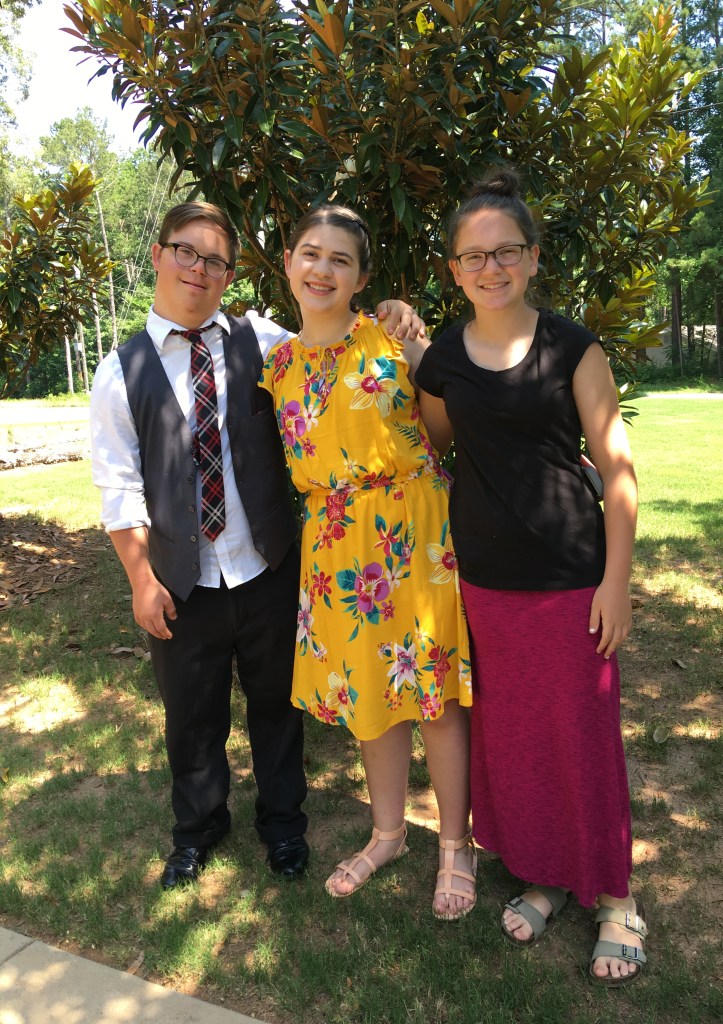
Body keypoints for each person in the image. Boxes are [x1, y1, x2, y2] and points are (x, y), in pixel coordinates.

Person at [90, 200, 423, 890]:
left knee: (277, 707)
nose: (199, 270)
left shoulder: (262, 340)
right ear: (158, 255)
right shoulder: (118, 372)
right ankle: (198, 830)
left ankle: (283, 827)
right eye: (187, 252)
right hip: (182, 578)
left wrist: (388, 310)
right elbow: (119, 486)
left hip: (267, 566)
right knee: (192, 715)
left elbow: (332, 336)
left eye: (215, 261)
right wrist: (140, 580)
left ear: (231, 275)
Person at [415, 168, 647, 981]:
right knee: (513, 743)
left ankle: (616, 898)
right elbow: (439, 440)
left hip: (569, 581)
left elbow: (617, 470)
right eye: (474, 257)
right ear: (454, 269)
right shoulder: (443, 356)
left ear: (533, 258)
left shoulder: (573, 347)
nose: (491, 268)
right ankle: (547, 876)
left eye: (506, 251)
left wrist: (615, 582)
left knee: (582, 739)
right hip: (483, 584)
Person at [258, 205, 476, 919]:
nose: (322, 269)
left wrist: (414, 336)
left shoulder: (395, 339)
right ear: (288, 262)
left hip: (412, 533)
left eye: (340, 259)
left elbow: (443, 433)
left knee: (434, 697)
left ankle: (454, 847)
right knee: (370, 703)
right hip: (334, 546)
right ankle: (387, 834)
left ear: (362, 277)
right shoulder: (277, 366)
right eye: (310, 253)